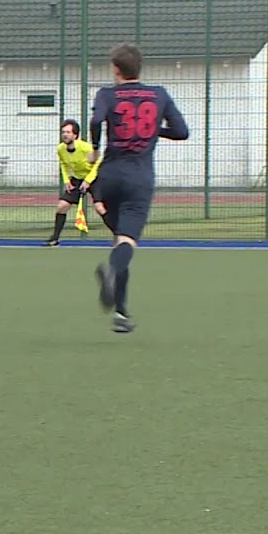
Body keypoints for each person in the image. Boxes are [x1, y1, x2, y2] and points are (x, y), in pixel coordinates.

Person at [86, 43, 189, 333]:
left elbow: (96, 120)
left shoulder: (107, 94)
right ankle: (112, 277)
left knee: (119, 243)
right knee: (126, 242)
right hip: (139, 178)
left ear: (116, 69)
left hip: (109, 177)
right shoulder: (159, 95)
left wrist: (94, 148)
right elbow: (182, 132)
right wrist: (155, 129)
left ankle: (121, 312)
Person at [43, 118, 100, 246]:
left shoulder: (85, 147)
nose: (65, 135)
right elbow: (63, 164)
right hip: (77, 179)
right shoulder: (60, 149)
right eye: (63, 132)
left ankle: (119, 236)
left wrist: (88, 181)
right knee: (62, 206)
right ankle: (54, 238)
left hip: (95, 178)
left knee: (100, 208)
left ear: (75, 135)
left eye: (68, 132)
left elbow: (98, 164)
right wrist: (66, 180)